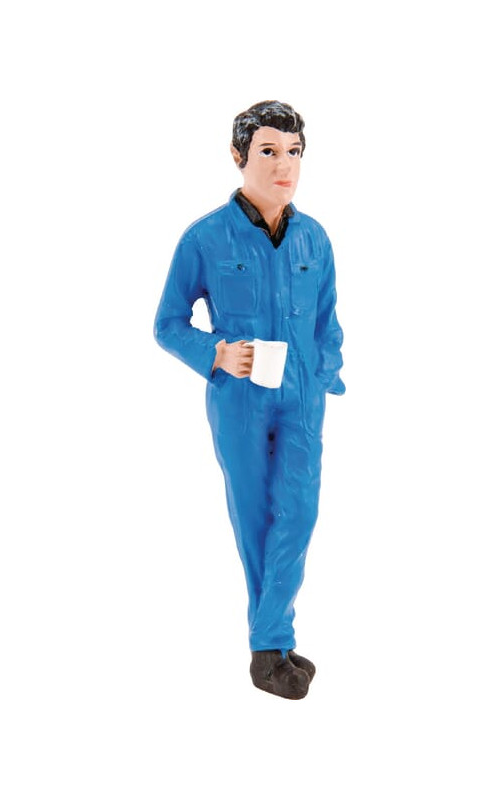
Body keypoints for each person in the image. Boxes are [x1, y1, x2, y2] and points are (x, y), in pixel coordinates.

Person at [154, 100, 345, 699]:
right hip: (239, 399)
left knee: (299, 512)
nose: (284, 166)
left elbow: (328, 321)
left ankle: (269, 639)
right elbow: (167, 323)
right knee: (255, 516)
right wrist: (214, 352)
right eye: (268, 151)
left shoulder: (314, 237)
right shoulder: (205, 237)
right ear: (239, 156)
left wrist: (323, 371)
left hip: (302, 399)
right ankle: (272, 648)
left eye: (293, 152)